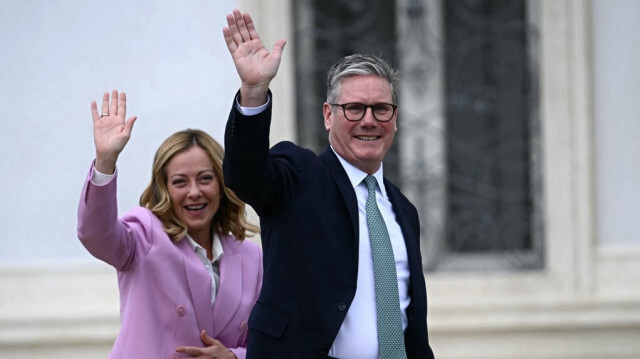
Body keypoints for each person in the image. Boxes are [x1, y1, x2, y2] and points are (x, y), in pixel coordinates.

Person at [222, 9, 435, 359]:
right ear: (327, 115)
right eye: (354, 108)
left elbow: (411, 325)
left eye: (381, 109)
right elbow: (245, 175)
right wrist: (254, 91)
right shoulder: (300, 176)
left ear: (395, 119)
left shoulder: (403, 211)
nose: (369, 120)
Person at [77, 90, 262, 359]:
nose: (194, 191)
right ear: (164, 188)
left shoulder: (251, 257)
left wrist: (234, 357)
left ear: (222, 185)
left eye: (205, 178)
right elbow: (96, 235)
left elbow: (270, 338)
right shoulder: (143, 236)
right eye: (180, 182)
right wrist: (106, 162)